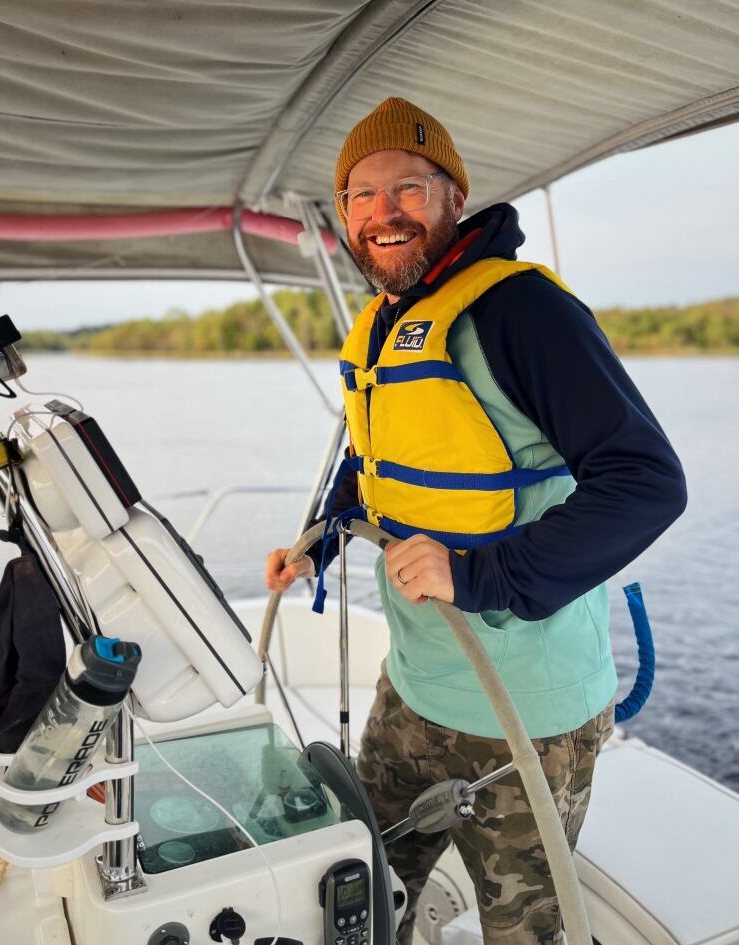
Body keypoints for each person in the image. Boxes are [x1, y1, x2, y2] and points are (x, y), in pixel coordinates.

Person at [266, 97, 686, 944]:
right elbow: (380, 458)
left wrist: (478, 574)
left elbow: (647, 482)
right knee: (359, 891)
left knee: (524, 934)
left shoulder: (520, 312)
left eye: (408, 189)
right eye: (361, 195)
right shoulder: (387, 322)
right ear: (345, 215)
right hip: (415, 690)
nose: (384, 213)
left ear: (454, 196)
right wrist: (321, 539)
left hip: (528, 712)